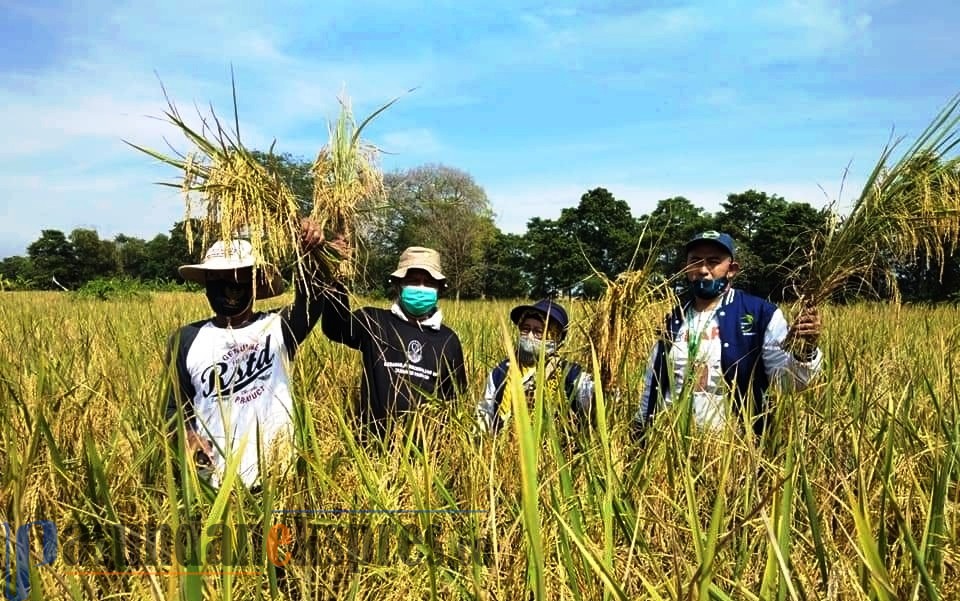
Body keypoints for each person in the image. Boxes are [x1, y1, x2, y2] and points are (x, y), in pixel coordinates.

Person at [164, 218, 333, 489]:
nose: (228, 285)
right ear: (206, 283)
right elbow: (174, 407)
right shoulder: (185, 339)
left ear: (254, 282)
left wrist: (310, 251)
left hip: (277, 481)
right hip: (211, 484)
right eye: (217, 278)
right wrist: (186, 435)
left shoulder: (279, 327)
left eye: (238, 276)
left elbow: (313, 297)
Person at [633, 230, 823, 437]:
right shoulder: (672, 318)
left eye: (713, 262)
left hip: (732, 449)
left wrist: (806, 350)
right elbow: (652, 383)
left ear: (732, 270)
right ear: (685, 269)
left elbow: (787, 383)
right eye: (695, 261)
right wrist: (639, 429)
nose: (703, 270)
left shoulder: (761, 314)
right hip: (669, 445)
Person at [320, 246, 468, 439]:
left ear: (439, 290)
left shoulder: (448, 339)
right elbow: (335, 328)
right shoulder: (373, 320)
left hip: (425, 455)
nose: (421, 288)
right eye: (413, 281)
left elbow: (453, 398)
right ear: (398, 285)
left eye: (429, 283)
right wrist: (335, 275)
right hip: (371, 447)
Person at [476, 299, 594, 436]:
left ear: (555, 338)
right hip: (509, 450)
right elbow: (485, 413)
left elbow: (593, 399)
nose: (530, 336)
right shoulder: (501, 372)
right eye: (526, 329)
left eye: (539, 332)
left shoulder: (569, 373)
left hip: (553, 453)